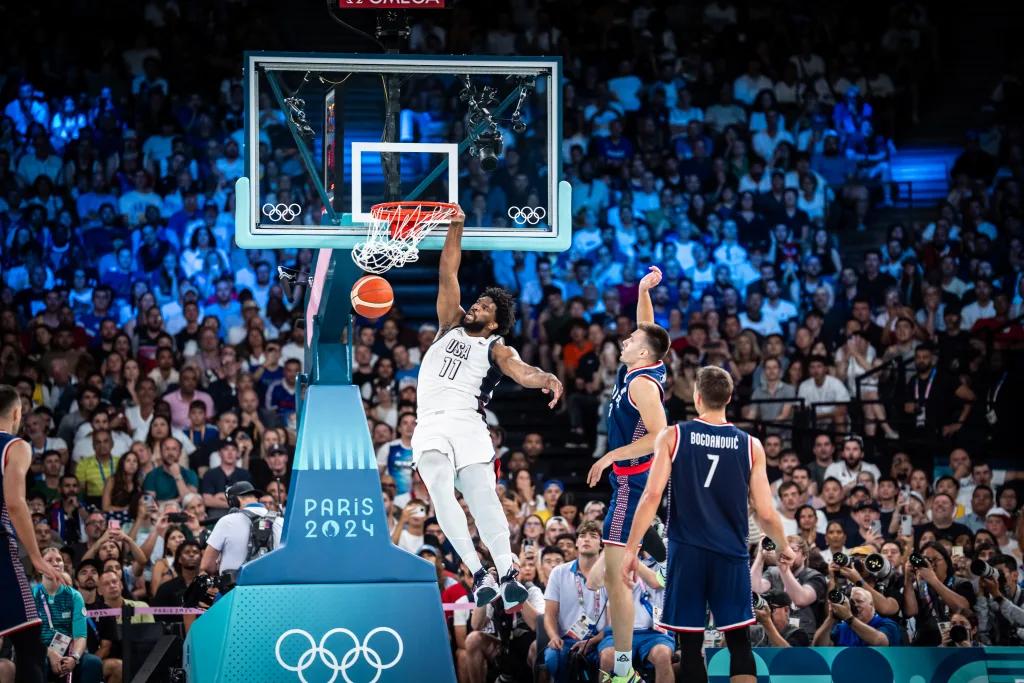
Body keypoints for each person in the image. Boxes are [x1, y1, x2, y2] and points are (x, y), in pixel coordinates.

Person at [412, 209, 563, 612]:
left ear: (496, 321)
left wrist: (545, 376)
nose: (475, 305)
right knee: (440, 488)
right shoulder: (449, 324)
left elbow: (522, 371)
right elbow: (448, 271)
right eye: (476, 301)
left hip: (468, 424)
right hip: (430, 424)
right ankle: (479, 572)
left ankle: (507, 572)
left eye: (484, 306)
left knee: (482, 498)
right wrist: (456, 226)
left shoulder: (496, 347)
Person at [621, 367, 794, 683]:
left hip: (687, 553)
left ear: (696, 397)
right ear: (728, 398)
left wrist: (631, 549)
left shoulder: (673, 435)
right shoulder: (751, 445)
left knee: (689, 645)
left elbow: (651, 496)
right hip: (731, 553)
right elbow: (766, 513)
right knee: (739, 641)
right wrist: (784, 546)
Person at [584, 265, 670, 683]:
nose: (625, 339)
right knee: (597, 576)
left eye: (631, 341)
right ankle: (659, 560)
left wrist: (606, 457)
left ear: (643, 353)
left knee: (615, 580)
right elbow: (647, 326)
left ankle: (622, 672)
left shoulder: (642, 386)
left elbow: (659, 436)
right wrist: (641, 289)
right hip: (632, 480)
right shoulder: (641, 366)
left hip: (632, 482)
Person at [1, 384, 68, 683]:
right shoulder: (16, 446)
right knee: (29, 644)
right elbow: (15, 504)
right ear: (17, 413)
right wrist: (36, 558)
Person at [542, 521, 606, 683]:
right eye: (582, 536)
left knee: (610, 657)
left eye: (593, 536)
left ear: (601, 544)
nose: (586, 539)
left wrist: (593, 641)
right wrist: (554, 636)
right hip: (568, 639)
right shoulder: (559, 573)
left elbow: (616, 622)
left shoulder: (611, 573)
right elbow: (549, 614)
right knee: (552, 658)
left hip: (602, 639)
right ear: (577, 543)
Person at [32, 547, 102, 682]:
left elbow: (80, 636)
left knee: (93, 663)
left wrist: (74, 658)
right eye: (49, 560)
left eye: (59, 560)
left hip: (68, 652)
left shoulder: (74, 596)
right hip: (41, 651)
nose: (55, 563)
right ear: (39, 567)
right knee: (38, 662)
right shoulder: (31, 595)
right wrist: (50, 654)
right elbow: (29, 638)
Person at [200, 481, 282, 581]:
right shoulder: (281, 521)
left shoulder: (227, 521)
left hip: (235, 592)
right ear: (256, 499)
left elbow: (207, 565)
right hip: (272, 590)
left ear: (234, 501)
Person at [812, 586, 900, 646]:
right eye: (851, 602)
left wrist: (849, 618)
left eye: (859, 601)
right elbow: (819, 646)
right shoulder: (842, 627)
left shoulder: (888, 624)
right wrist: (831, 618)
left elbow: (880, 641)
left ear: (872, 605)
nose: (855, 605)